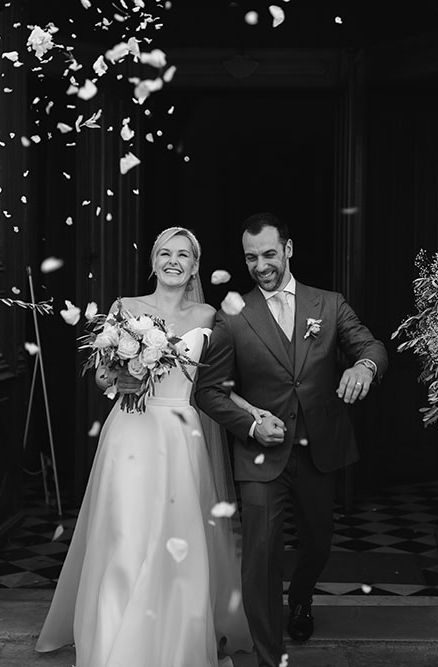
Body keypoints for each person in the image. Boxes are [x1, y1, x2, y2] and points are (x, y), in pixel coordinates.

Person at [35, 227, 259, 667]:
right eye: (164, 253)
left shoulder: (209, 316)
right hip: (131, 432)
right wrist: (122, 377)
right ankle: (114, 640)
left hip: (180, 435)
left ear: (195, 266)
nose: (173, 261)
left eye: (183, 255)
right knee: (125, 533)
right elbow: (102, 377)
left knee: (176, 536)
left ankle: (175, 640)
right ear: (153, 261)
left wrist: (253, 414)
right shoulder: (126, 308)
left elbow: (215, 386)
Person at [195, 212, 388, 667]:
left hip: (319, 450)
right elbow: (208, 389)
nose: (260, 265)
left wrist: (364, 367)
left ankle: (301, 599)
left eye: (268, 254)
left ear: (288, 249)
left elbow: (371, 345)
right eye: (250, 257)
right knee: (260, 557)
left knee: (318, 542)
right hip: (261, 455)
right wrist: (250, 425)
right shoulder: (233, 316)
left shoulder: (330, 304)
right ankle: (268, 655)